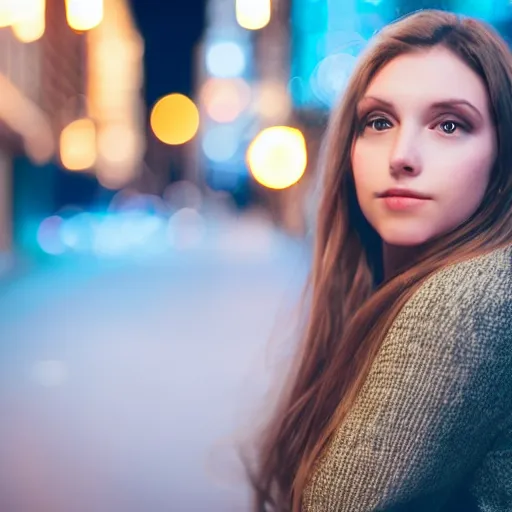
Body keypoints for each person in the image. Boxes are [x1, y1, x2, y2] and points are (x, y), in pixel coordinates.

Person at [248, 9, 512, 512]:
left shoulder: (468, 297)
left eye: (450, 125)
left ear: (503, 156)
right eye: (379, 121)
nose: (401, 155)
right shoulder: (390, 290)